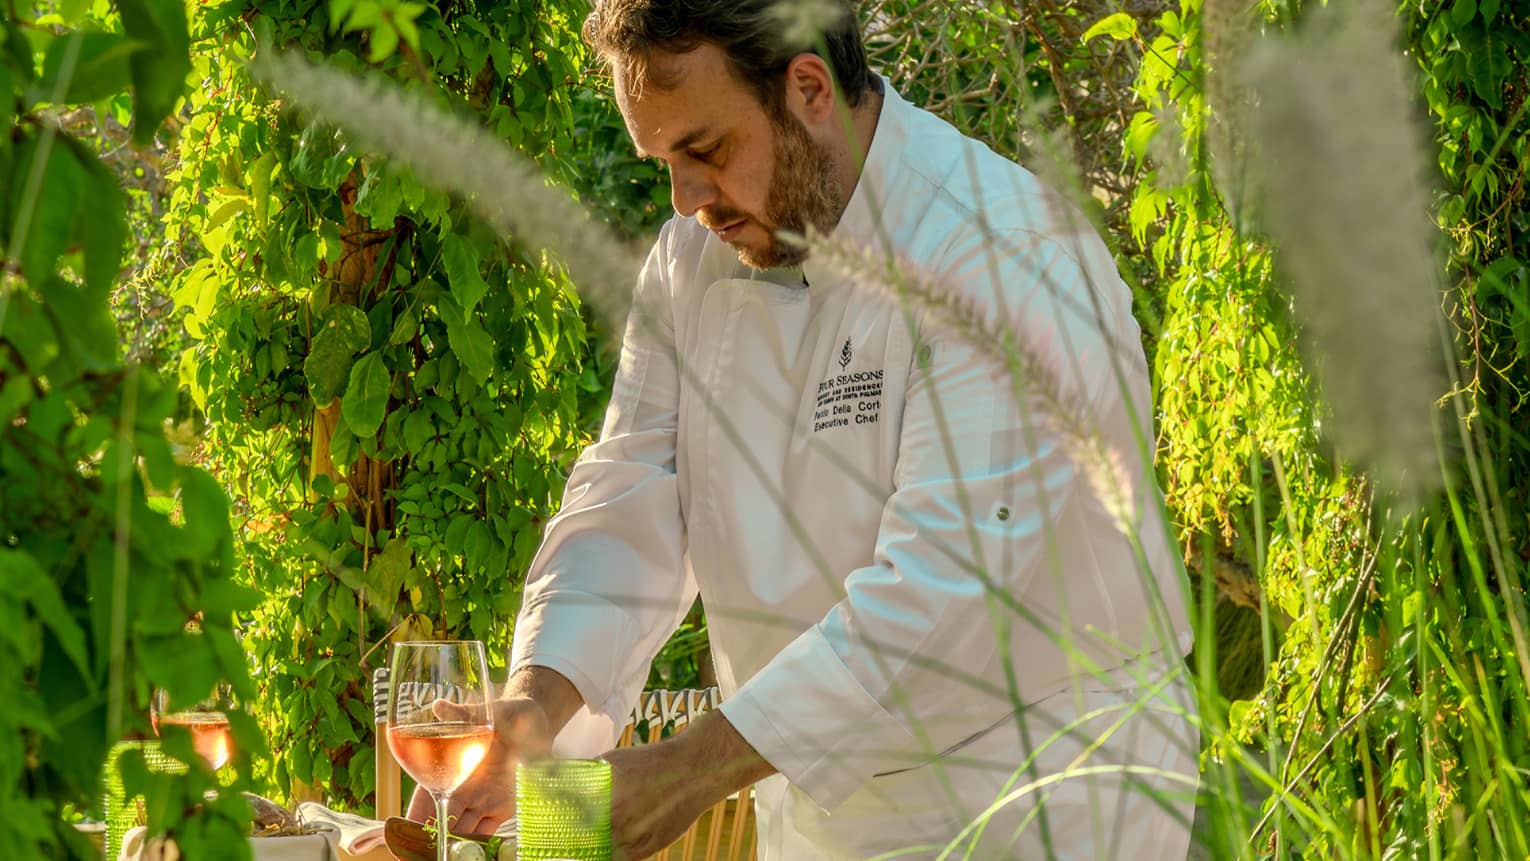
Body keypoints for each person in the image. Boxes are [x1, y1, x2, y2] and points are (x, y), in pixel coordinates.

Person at [410, 1, 1199, 857]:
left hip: (1036, 801)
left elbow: (944, 593)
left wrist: (685, 771)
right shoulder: (692, 258)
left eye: (704, 151)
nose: (684, 199)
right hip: (820, 811)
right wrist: (536, 702)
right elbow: (631, 492)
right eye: (663, 162)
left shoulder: (1001, 251)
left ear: (811, 87)